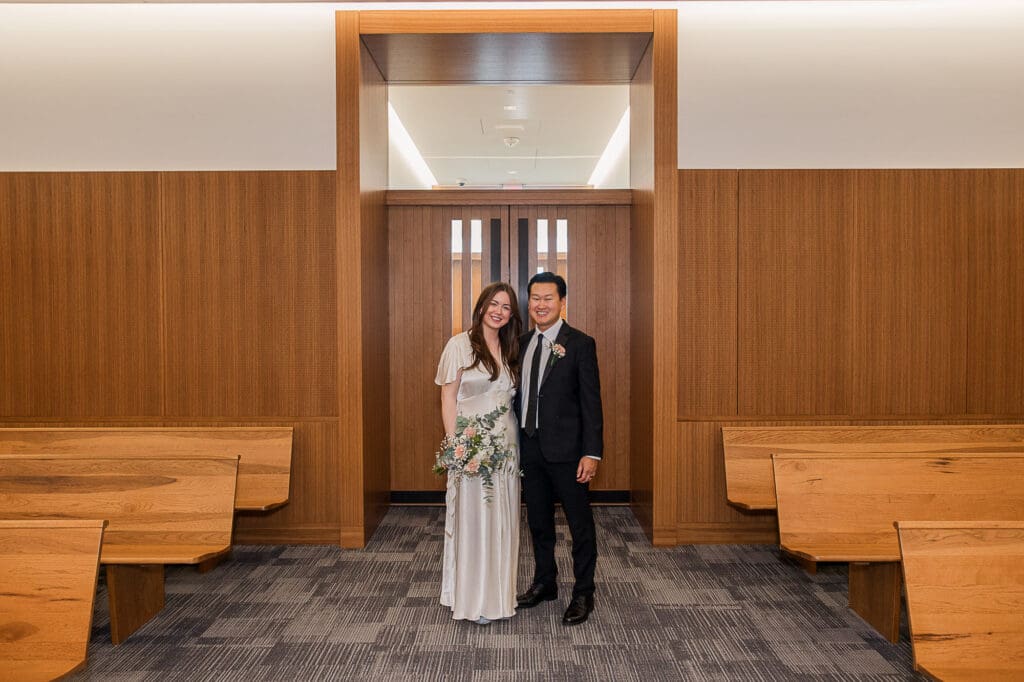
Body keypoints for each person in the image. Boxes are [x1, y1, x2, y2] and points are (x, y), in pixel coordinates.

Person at [515, 272, 603, 626]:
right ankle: (545, 583)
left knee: (580, 526)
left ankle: (583, 592)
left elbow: (591, 403)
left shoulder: (580, 344)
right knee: (538, 522)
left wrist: (591, 453)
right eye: (535, 298)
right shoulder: (520, 343)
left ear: (562, 302)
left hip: (569, 453)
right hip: (529, 449)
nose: (541, 304)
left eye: (548, 298)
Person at [435, 282, 523, 625]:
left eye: (506, 307)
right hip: (471, 444)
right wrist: (456, 444)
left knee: (502, 520)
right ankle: (472, 598)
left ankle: (497, 595)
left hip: (507, 448)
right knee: (473, 521)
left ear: (511, 315)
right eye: (494, 304)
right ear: (482, 306)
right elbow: (448, 397)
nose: (499, 311)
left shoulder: (511, 347)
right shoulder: (459, 344)